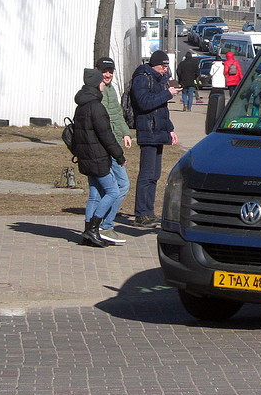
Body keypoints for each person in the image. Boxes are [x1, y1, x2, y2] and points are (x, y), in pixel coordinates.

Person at [71, 68, 126, 248]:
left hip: (85, 157)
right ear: (96, 84)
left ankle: (88, 233)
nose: (104, 84)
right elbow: (106, 135)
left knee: (95, 195)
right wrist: (119, 156)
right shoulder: (96, 107)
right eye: (102, 82)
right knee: (113, 192)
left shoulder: (81, 105)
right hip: (97, 157)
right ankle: (94, 228)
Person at [85, 56, 133, 244]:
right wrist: (116, 152)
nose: (108, 74)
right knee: (122, 186)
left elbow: (117, 116)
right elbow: (102, 127)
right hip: (105, 149)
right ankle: (106, 225)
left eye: (110, 71)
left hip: (110, 145)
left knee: (96, 193)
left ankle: (89, 232)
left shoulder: (111, 90)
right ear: (96, 71)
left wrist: (126, 133)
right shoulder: (97, 94)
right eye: (104, 71)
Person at [130, 50, 180, 227]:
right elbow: (144, 102)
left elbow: (162, 111)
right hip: (148, 131)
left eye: (166, 66)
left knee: (155, 175)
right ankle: (141, 213)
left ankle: (149, 212)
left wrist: (170, 129)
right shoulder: (142, 77)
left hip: (158, 132)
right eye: (162, 66)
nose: (164, 70)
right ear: (154, 64)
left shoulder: (159, 80)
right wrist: (168, 93)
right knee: (147, 174)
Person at [205, 54, 227, 134]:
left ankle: (213, 100)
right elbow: (225, 73)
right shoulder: (223, 65)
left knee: (214, 92)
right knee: (221, 92)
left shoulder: (213, 65)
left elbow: (211, 73)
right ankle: (221, 100)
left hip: (215, 81)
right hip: (221, 81)